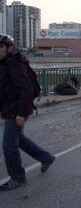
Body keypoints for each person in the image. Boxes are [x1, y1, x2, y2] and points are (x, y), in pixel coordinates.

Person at [0, 34, 55, 191]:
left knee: (9, 144)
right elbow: (5, 90)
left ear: (9, 48)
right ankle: (46, 158)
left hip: (17, 110)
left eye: (1, 46)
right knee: (19, 139)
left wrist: (21, 114)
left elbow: (27, 89)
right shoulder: (5, 63)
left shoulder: (12, 64)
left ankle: (18, 178)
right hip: (11, 108)